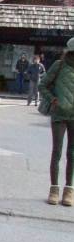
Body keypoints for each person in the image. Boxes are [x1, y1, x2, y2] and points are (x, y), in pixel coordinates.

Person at [40, 37, 74, 206]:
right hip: (59, 115)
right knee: (57, 152)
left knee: (72, 154)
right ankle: (54, 189)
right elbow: (42, 85)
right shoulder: (59, 65)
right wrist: (53, 100)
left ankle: (69, 190)